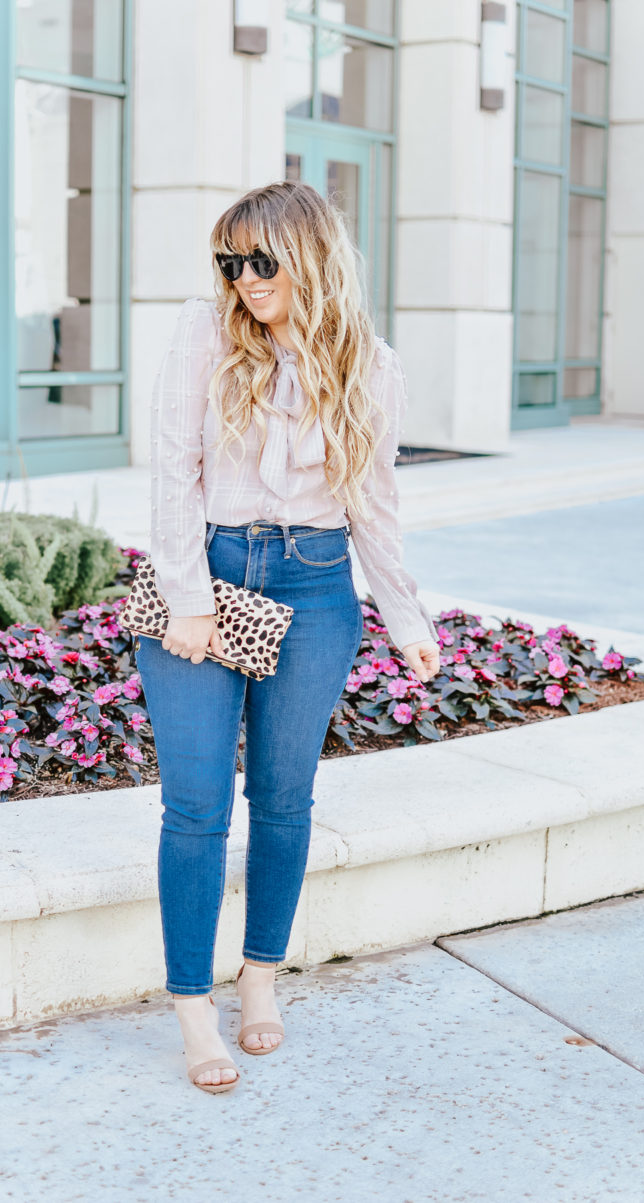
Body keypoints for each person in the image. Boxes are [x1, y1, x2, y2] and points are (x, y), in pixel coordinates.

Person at [134, 180, 440, 1094]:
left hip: (316, 585)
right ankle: (193, 1006)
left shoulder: (369, 366)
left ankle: (259, 980)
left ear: (310, 256)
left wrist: (408, 617)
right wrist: (189, 595)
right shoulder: (206, 331)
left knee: (284, 798)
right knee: (195, 804)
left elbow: (374, 507)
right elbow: (171, 469)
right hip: (211, 571)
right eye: (231, 260)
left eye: (261, 260)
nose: (244, 277)